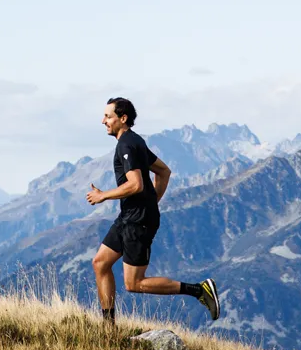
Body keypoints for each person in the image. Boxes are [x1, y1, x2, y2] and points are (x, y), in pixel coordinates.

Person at [84, 96, 220, 328]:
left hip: (138, 220)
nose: (103, 121)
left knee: (134, 284)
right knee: (100, 263)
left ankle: (199, 290)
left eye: (108, 116)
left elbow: (135, 184)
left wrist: (103, 195)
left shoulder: (127, 144)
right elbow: (164, 172)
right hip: (130, 216)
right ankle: (108, 329)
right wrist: (152, 201)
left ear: (122, 118)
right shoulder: (135, 142)